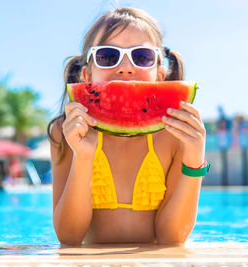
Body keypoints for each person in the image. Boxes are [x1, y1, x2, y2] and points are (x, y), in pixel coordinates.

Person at [47, 7, 208, 245]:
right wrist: (83, 157)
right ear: (86, 76)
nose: (125, 68)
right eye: (107, 56)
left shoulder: (174, 134)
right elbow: (69, 237)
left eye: (142, 56)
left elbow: (171, 238)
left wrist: (194, 161)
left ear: (160, 76)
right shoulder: (65, 131)